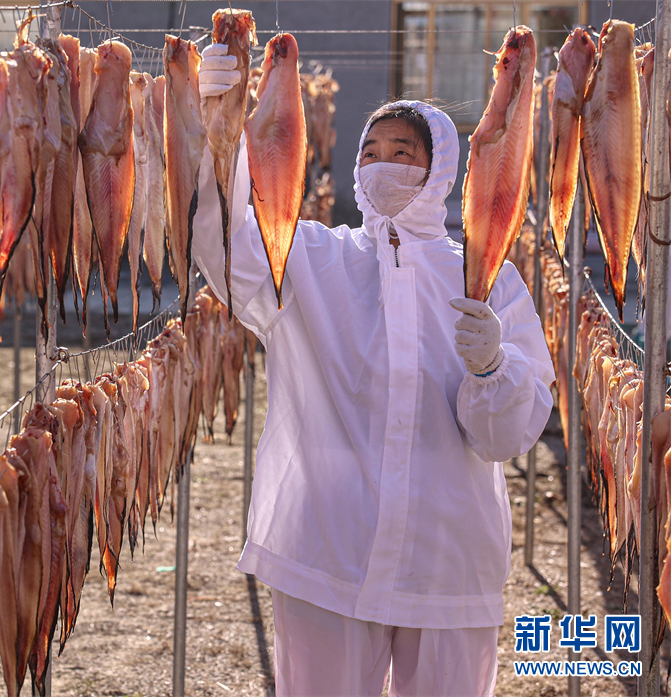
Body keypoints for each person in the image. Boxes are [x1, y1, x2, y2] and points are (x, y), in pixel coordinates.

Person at [193, 44, 555, 697]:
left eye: (403, 152)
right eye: (371, 151)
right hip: (328, 550)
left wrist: (492, 368)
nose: (382, 163)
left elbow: (507, 433)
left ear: (440, 167)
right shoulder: (310, 258)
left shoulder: (486, 278)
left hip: (447, 559)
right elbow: (224, 244)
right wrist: (216, 125)